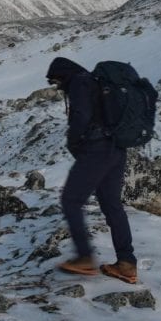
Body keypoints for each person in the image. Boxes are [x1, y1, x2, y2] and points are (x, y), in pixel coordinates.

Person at [46, 57, 138, 284]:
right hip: (116, 148)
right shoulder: (96, 82)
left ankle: (85, 258)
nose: (57, 86)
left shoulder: (79, 82)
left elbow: (81, 116)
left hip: (97, 149)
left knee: (71, 200)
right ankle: (126, 264)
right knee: (112, 206)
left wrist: (73, 142)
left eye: (56, 81)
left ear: (63, 74)